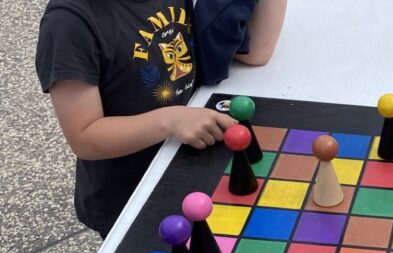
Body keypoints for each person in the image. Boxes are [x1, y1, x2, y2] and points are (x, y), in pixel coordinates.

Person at [35, 0, 287, 238]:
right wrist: (171, 121)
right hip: (131, 198)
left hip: (188, 170)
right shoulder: (68, 23)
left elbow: (256, 53)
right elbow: (84, 137)